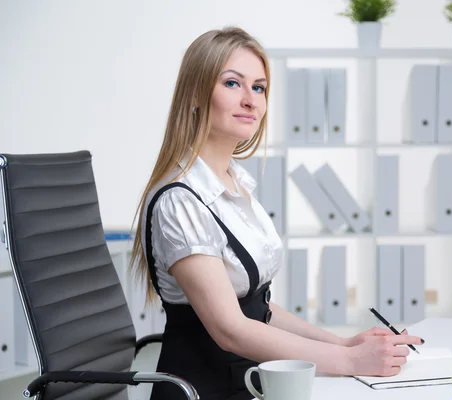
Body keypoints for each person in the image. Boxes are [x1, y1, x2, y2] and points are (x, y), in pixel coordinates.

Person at [129, 26, 424, 400]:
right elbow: (231, 329)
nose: (251, 100)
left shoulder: (236, 185)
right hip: (208, 391)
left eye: (259, 87)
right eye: (233, 83)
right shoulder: (181, 201)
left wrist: (345, 344)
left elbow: (258, 308)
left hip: (253, 381)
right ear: (196, 95)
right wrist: (349, 362)